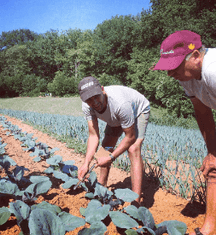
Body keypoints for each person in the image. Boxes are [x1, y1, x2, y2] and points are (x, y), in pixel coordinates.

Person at [153, 30, 216, 235]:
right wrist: (212, 152)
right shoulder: (187, 77)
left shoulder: (213, 71)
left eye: (174, 67)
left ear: (196, 56)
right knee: (212, 167)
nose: (170, 74)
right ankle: (210, 227)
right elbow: (203, 112)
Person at [77, 76, 150, 204]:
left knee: (133, 149)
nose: (94, 102)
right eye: (89, 99)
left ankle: (136, 202)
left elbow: (130, 137)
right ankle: (101, 187)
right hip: (115, 117)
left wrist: (111, 157)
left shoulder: (120, 103)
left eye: (96, 96)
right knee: (105, 147)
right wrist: (86, 163)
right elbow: (93, 136)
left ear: (102, 90)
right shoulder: (87, 106)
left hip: (138, 110)